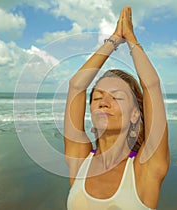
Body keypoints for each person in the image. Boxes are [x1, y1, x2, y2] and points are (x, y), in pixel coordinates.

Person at [64, 6, 170, 210]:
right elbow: (76, 86)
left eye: (117, 97)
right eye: (97, 97)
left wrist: (130, 39)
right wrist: (113, 40)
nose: (104, 102)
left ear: (134, 114)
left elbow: (152, 87)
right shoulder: (80, 161)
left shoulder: (146, 168)